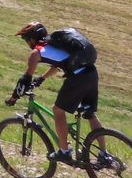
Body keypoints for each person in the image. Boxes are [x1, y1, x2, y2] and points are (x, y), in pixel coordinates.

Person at [10, 21, 102, 164]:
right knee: (90, 113)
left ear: (32, 38)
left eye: (26, 39)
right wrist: (41, 78)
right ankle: (103, 153)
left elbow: (25, 80)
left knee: (58, 110)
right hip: (91, 72)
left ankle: (64, 152)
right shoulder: (54, 44)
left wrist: (13, 97)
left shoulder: (36, 52)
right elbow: (57, 66)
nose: (27, 42)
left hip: (77, 77)